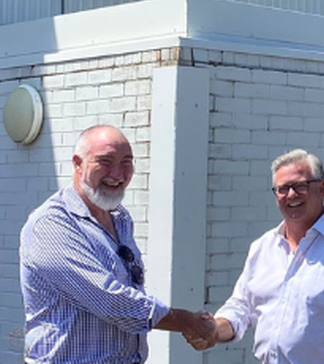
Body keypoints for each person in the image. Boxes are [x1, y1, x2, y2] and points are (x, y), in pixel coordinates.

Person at [19, 125, 214, 363]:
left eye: (126, 162)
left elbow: (131, 288)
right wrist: (185, 321)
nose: (117, 173)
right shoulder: (51, 224)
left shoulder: (120, 219)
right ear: (78, 164)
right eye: (105, 161)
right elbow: (111, 301)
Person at [202, 149, 324, 363]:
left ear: (321, 188)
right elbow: (241, 307)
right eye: (282, 189)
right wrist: (214, 328)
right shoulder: (262, 247)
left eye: (300, 186)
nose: (291, 195)